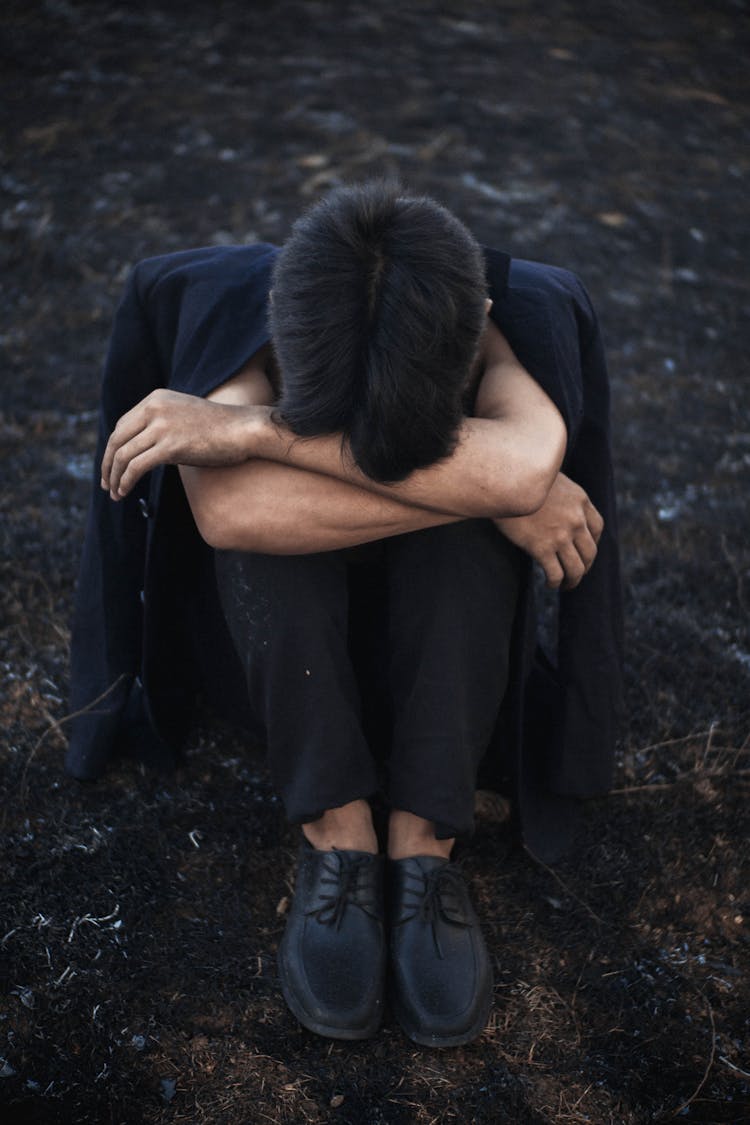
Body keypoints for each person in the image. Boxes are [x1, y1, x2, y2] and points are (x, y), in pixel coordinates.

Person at [67, 181, 623, 1046]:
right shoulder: (234, 304)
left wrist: (255, 434)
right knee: (274, 538)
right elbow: (229, 516)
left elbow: (520, 466)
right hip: (282, 660)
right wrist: (485, 493)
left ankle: (423, 837)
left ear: (474, 318)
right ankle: (337, 831)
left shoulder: (516, 311)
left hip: (449, 665)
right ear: (279, 315)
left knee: (461, 546)